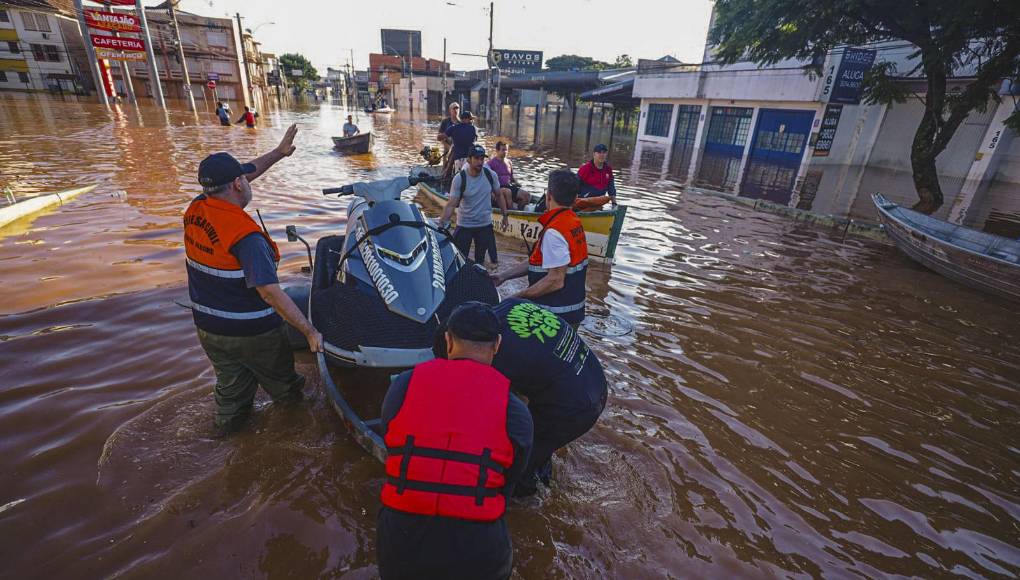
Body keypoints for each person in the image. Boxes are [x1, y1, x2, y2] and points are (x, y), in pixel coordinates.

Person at [184, 124, 324, 435]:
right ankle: (294, 434)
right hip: (251, 332)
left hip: (208, 328)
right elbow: (270, 293)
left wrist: (278, 154)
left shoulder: (198, 207)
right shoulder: (246, 237)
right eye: (244, 180)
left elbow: (249, 170)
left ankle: (225, 435)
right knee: (287, 392)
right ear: (236, 185)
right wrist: (310, 331)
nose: (249, 181)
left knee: (231, 393)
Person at [377, 302, 533, 580]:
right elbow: (509, 480)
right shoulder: (516, 410)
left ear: (447, 340)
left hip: (402, 539)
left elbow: (394, 448)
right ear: (497, 345)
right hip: (477, 548)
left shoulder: (402, 385)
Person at [433, 298, 607, 497]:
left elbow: (513, 410)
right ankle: (541, 472)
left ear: (450, 344)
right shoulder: (510, 305)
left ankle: (531, 506)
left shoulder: (499, 360)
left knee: (519, 463)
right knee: (537, 442)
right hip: (593, 377)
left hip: (577, 407)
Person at [491, 169, 588, 326]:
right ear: (575, 198)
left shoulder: (554, 231)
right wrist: (503, 276)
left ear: (548, 195)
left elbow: (556, 280)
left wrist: (517, 298)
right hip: (573, 313)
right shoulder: (573, 222)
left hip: (555, 317)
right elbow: (539, 262)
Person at [438, 145, 507, 265]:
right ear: (469, 160)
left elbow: (499, 195)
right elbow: (451, 204)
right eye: (477, 158)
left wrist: (505, 215)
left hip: (484, 225)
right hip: (465, 224)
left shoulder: (491, 175)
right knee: (459, 260)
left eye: (482, 159)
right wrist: (442, 223)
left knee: (481, 262)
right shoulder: (460, 179)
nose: (480, 162)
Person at [487, 141, 529, 211]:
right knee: (508, 191)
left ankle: (520, 212)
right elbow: (486, 180)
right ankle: (511, 212)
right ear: (497, 151)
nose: (505, 152)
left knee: (527, 196)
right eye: (503, 150)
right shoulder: (490, 163)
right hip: (498, 188)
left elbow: (512, 178)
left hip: (508, 186)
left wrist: (518, 183)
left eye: (506, 150)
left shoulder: (509, 162)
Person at [575, 143, 617, 210]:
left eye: (604, 153)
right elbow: (575, 186)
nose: (602, 155)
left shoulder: (608, 170)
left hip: (598, 204)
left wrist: (614, 204)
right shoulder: (585, 169)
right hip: (583, 205)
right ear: (594, 154)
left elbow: (611, 188)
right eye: (599, 152)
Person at [438, 102, 461, 187]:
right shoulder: (445, 122)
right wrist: (447, 146)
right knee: (446, 166)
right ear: (450, 110)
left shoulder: (460, 122)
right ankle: (442, 184)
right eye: (454, 108)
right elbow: (440, 135)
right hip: (447, 147)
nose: (456, 110)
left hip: (458, 149)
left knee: (456, 168)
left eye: (457, 108)